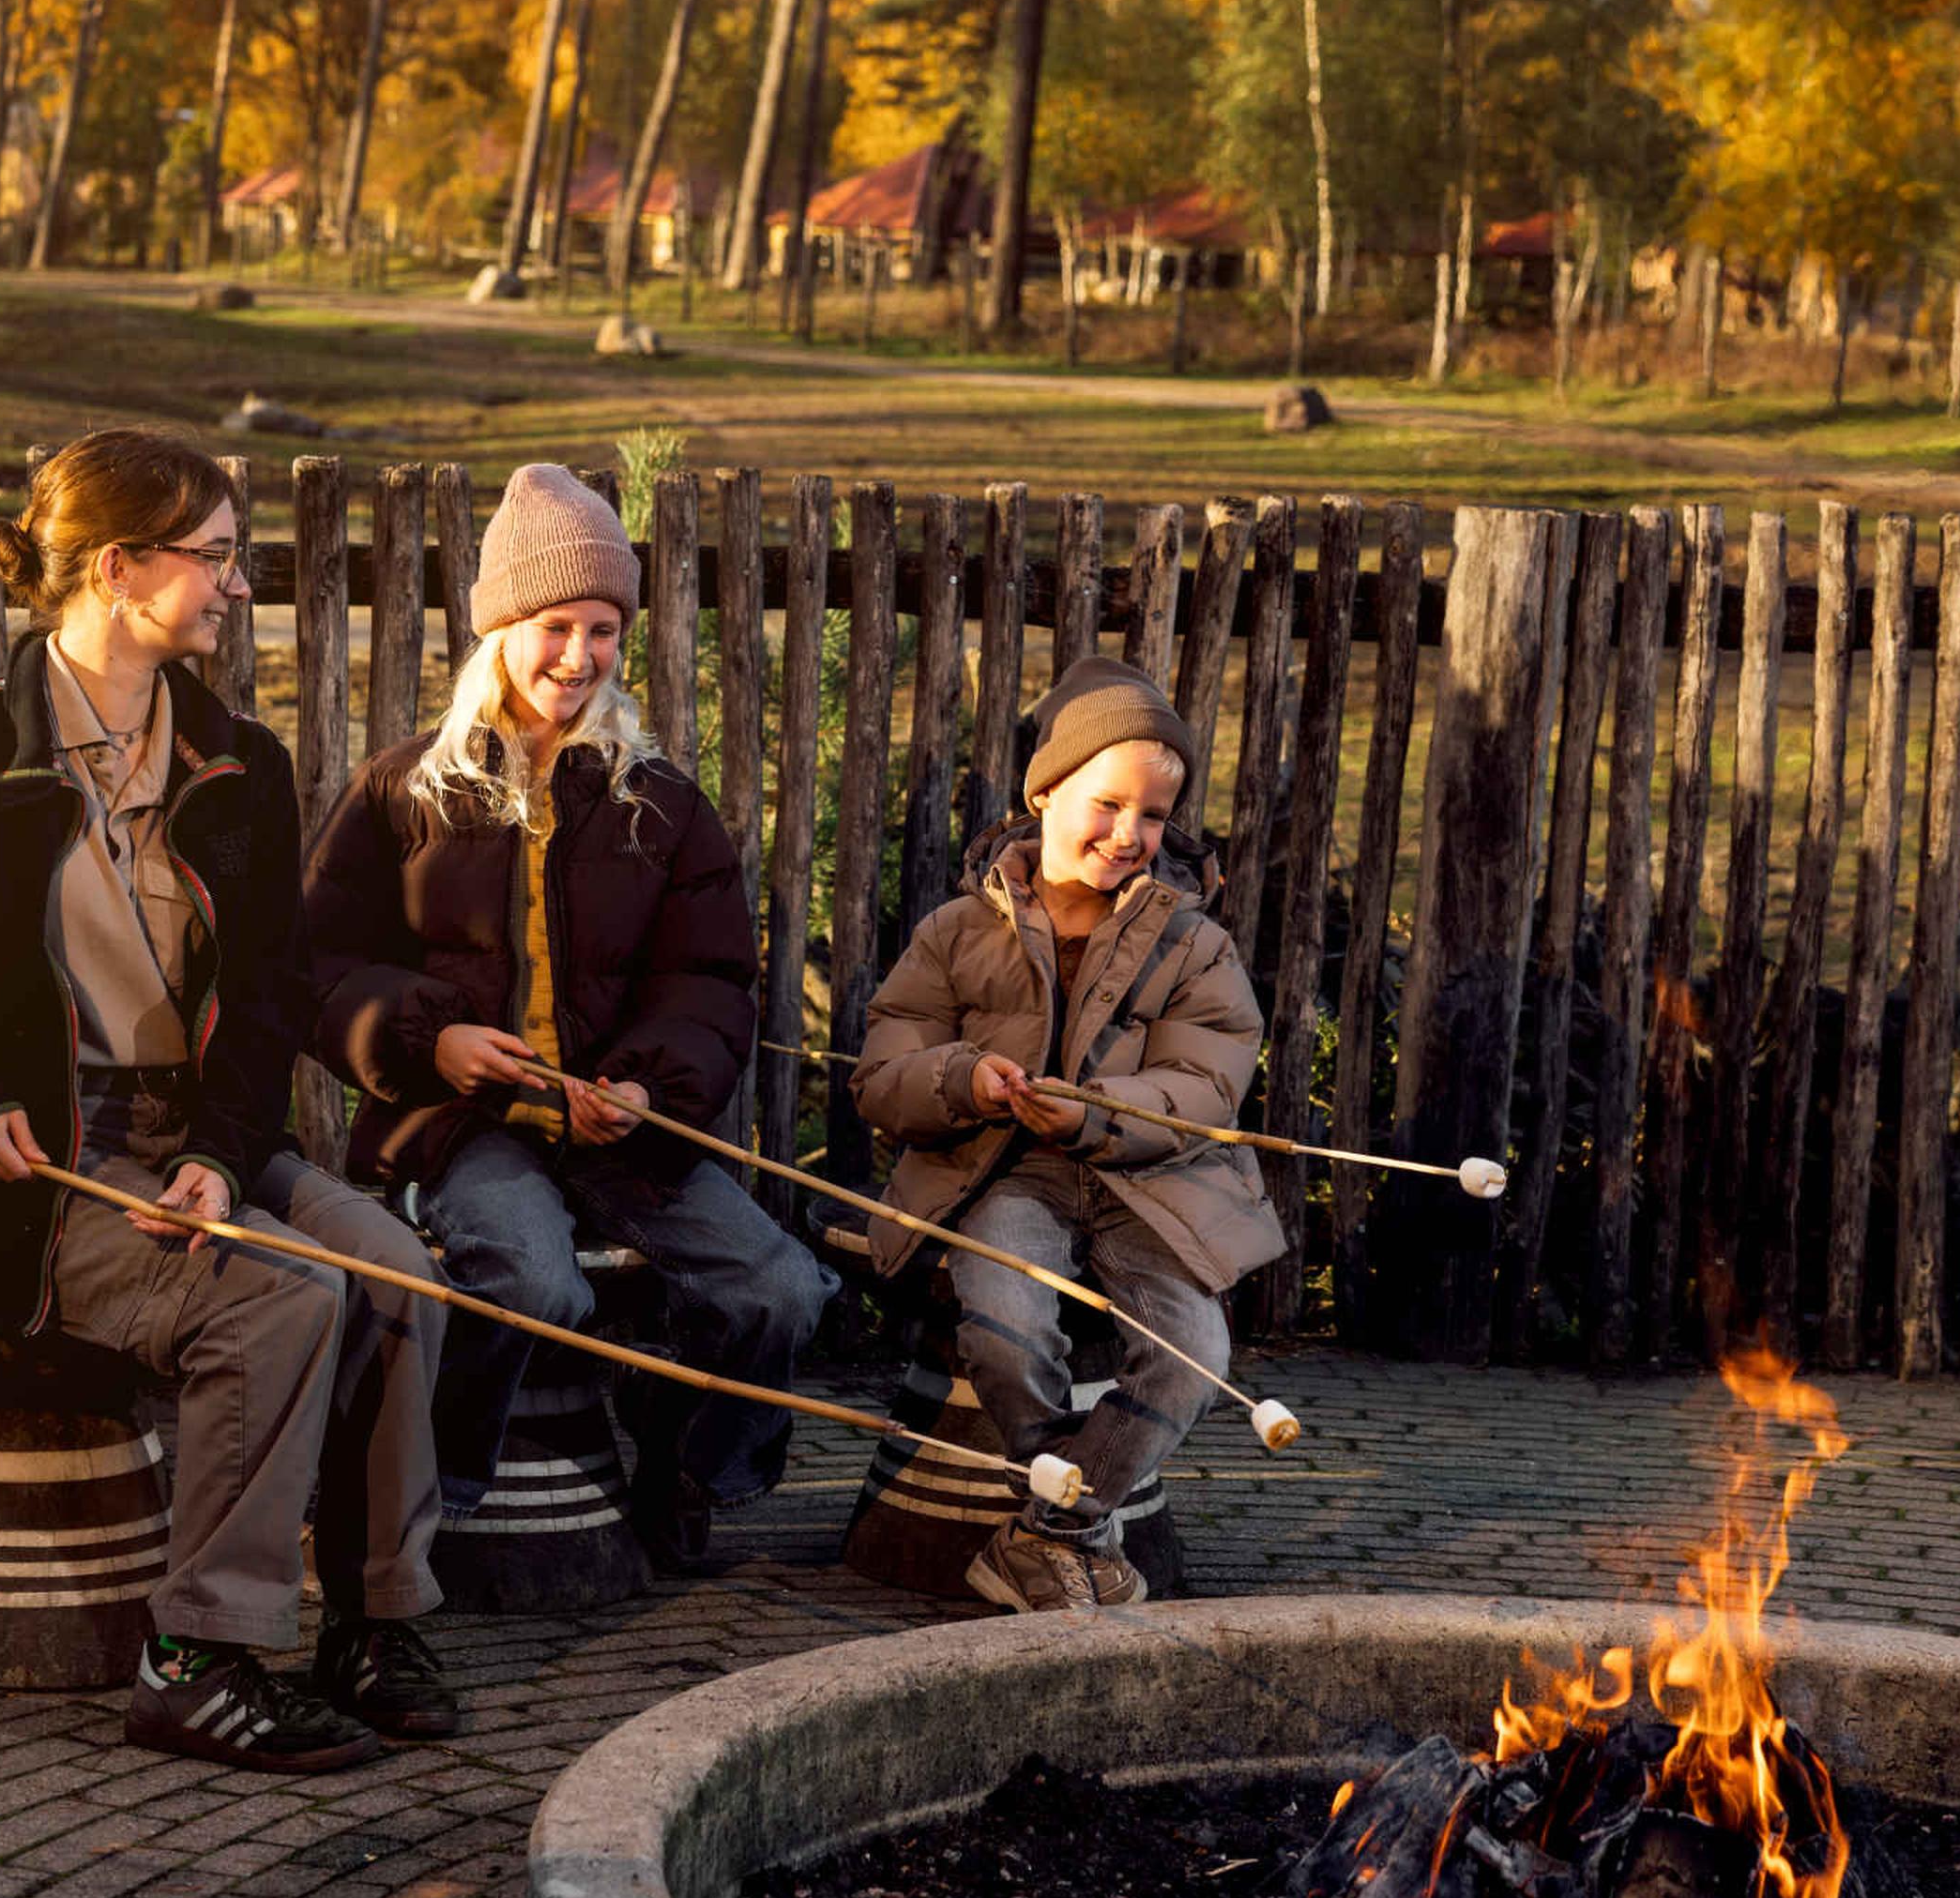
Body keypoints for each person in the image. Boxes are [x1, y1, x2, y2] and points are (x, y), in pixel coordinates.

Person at [0, 427, 453, 1773]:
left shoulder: (238, 764)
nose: (235, 586)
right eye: (214, 557)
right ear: (116, 566)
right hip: (35, 1176)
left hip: (198, 1141)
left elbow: (269, 993)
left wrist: (220, 1151)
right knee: (280, 1296)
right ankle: (197, 1657)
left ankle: (374, 1621)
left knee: (392, 1268)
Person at [299, 462, 831, 1574]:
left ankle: (689, 1474)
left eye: (602, 628)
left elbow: (710, 983)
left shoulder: (663, 805)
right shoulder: (407, 793)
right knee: (536, 1282)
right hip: (464, 1125)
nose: (577, 656)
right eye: (552, 626)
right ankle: (416, 1498)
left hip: (619, 1123)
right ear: (500, 630)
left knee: (779, 1286)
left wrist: (642, 1088)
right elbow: (316, 965)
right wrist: (425, 1036)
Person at [850, 657, 1287, 1614]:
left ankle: (1051, 1532)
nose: (1130, 835)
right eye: (1106, 804)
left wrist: (1100, 1112)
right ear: (1043, 793)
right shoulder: (959, 933)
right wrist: (965, 1078)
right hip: (1000, 1174)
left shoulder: (1194, 944)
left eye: (1155, 817)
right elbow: (883, 1074)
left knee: (1193, 1347)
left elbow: (1205, 1081)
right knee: (1006, 1322)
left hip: (1144, 1181)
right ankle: (1063, 1525)